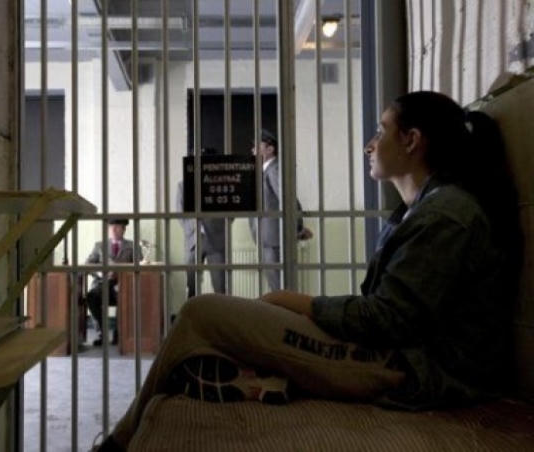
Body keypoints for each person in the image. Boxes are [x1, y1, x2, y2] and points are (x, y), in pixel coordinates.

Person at [98, 92, 522, 451]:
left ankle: (119, 442)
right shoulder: (420, 211)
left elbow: (390, 320)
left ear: (411, 140)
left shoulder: (444, 215)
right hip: (403, 357)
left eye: (380, 131)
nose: (369, 145)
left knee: (200, 313)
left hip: (417, 371)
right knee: (221, 316)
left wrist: (303, 303)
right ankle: (251, 380)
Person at [249, 128, 313, 291]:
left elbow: (288, 200)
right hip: (269, 237)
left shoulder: (274, 169)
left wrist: (297, 228)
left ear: (270, 149)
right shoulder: (266, 170)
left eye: (257, 146)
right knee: (277, 285)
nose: (253, 150)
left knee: (279, 287)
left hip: (273, 239)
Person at [177, 148, 228, 298]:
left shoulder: (220, 184)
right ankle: (193, 312)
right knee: (191, 286)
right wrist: (192, 228)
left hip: (216, 240)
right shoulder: (183, 185)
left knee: (220, 287)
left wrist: (219, 226)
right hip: (193, 240)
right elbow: (180, 213)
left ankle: (222, 313)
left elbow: (230, 211)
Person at [84, 219, 142, 347]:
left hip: (124, 284)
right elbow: (88, 264)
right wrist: (102, 272)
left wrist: (123, 274)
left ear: (124, 229)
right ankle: (102, 333)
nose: (114, 230)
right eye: (112, 227)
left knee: (124, 296)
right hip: (103, 284)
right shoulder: (99, 245)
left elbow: (141, 266)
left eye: (118, 227)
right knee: (91, 297)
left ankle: (119, 334)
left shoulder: (133, 246)